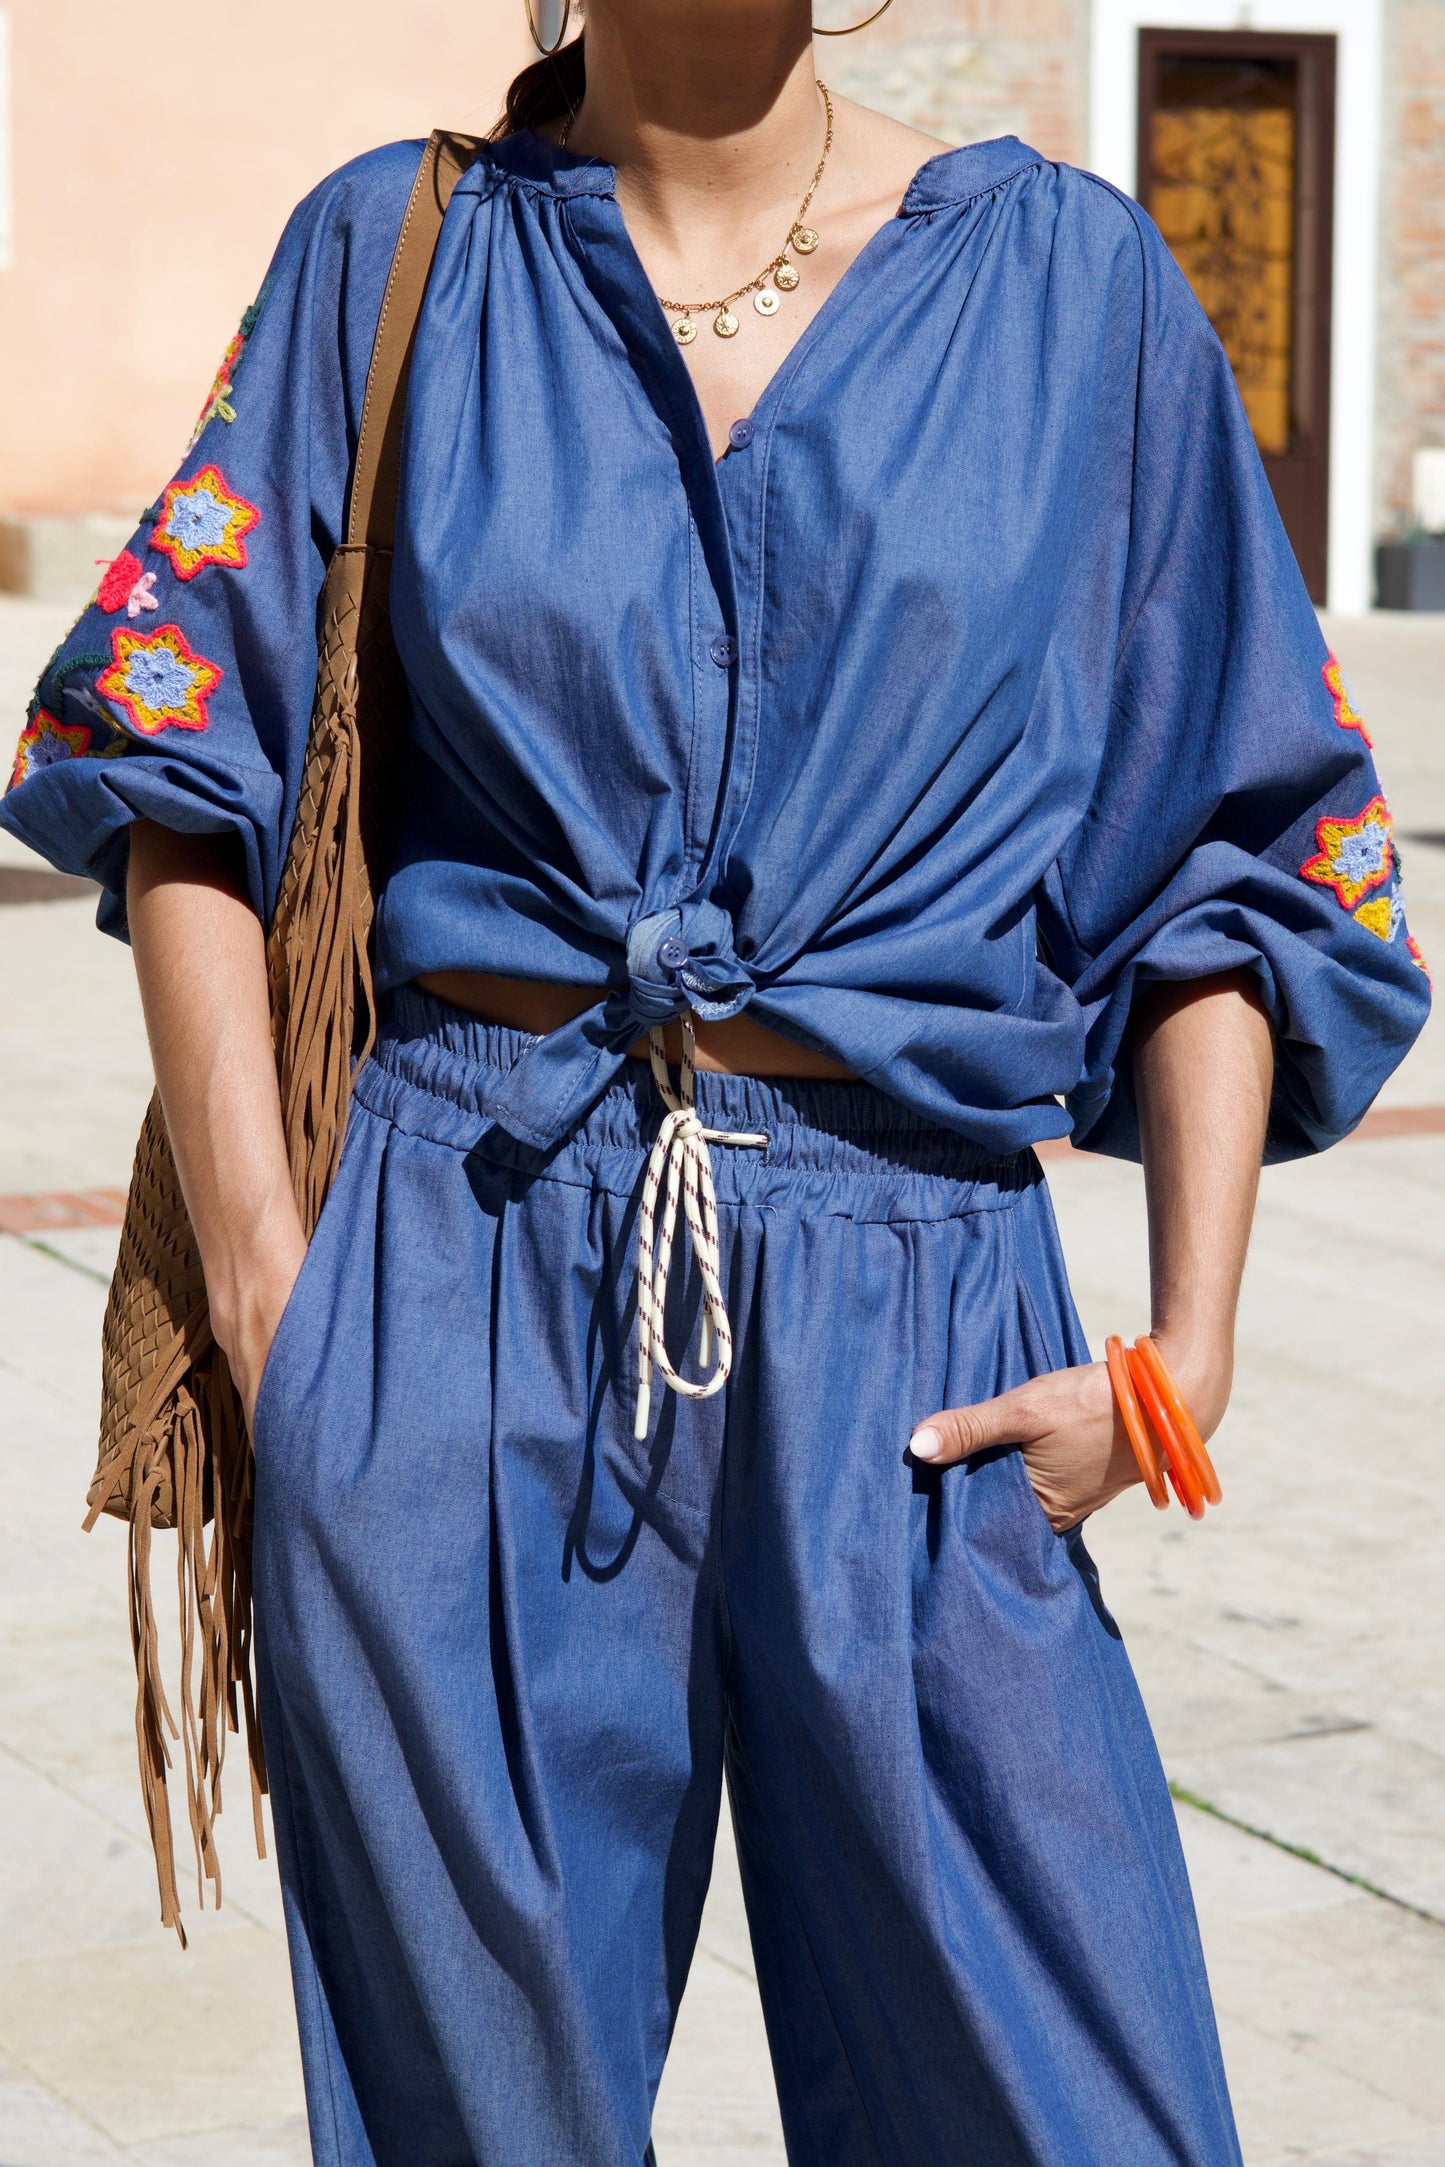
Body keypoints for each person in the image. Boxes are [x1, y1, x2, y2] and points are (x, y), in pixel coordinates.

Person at [3, 0, 1428, 2159]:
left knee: (1072, 2101)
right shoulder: (397, 252)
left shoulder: (1074, 287)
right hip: (467, 1266)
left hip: (926, 1302)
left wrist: (1187, 1349)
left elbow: (1239, 837)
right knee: (489, 2120)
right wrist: (283, 1306)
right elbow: (175, 746)